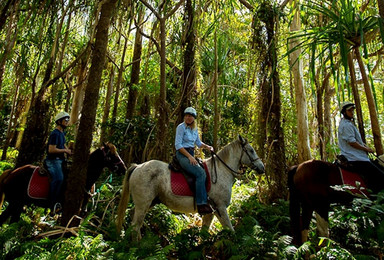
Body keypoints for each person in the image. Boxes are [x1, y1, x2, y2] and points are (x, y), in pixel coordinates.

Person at [338, 101, 384, 192]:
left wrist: (364, 146)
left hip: (358, 156)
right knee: (381, 176)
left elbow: (356, 141)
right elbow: (352, 142)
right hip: (355, 158)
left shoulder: (348, 123)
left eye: (352, 110)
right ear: (344, 112)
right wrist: (366, 149)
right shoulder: (346, 125)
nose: (352, 112)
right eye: (349, 111)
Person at [175, 107, 214, 215]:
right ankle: (201, 203)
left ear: (194, 118)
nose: (188, 118)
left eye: (191, 116)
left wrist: (208, 147)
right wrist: (190, 157)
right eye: (187, 115)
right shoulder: (181, 127)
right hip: (182, 155)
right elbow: (178, 145)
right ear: (184, 116)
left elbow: (198, 143)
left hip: (191, 154)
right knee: (200, 173)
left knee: (205, 170)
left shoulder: (195, 129)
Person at [45, 112, 72, 213]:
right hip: (53, 160)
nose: (67, 122)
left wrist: (68, 150)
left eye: (67, 120)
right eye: (65, 120)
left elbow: (63, 145)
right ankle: (51, 204)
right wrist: (65, 151)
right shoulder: (55, 133)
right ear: (59, 121)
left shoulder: (62, 133)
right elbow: (51, 149)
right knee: (59, 178)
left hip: (61, 160)